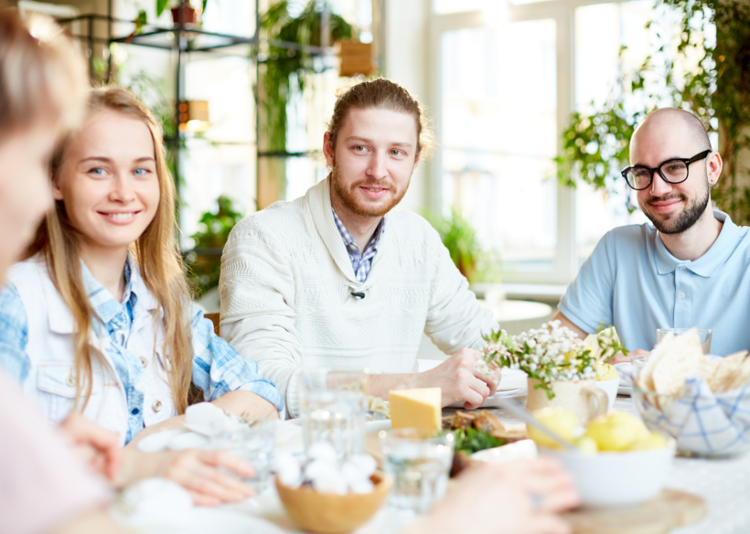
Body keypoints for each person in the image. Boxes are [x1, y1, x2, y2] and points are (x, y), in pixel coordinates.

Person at [0, 85, 285, 506]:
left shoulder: (167, 303)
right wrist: (132, 465)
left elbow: (262, 395)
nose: (123, 192)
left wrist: (159, 438)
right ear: (56, 180)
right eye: (98, 170)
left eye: (140, 170)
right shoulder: (17, 300)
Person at [220, 78, 499, 417]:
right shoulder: (262, 238)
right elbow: (260, 385)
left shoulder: (419, 240)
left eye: (396, 152)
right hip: (298, 459)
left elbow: (488, 344)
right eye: (360, 148)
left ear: (414, 160)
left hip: (399, 450)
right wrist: (416, 385)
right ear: (329, 149)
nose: (378, 171)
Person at [0, 9, 129, 533]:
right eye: (35, 159)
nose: (37, 199)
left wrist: (43, 458)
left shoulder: (160, 296)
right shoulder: (20, 298)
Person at [555, 107, 750, 355]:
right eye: (642, 173)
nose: (657, 189)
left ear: (712, 168)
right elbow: (552, 345)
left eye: (675, 167)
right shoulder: (616, 250)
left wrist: (666, 369)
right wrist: (602, 371)